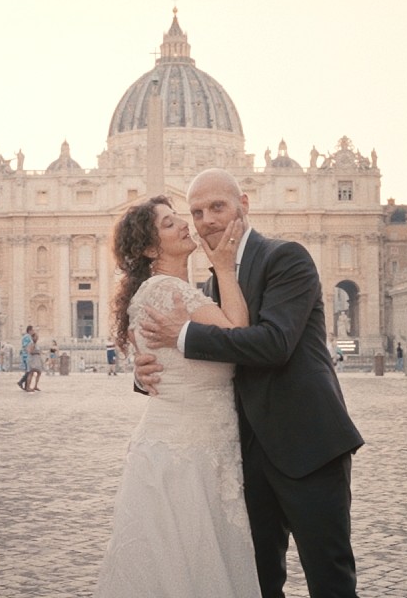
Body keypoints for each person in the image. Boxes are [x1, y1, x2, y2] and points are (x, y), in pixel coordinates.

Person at [135, 169, 364, 598]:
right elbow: (203, 360)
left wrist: (182, 336)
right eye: (197, 212)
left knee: (329, 580)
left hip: (306, 448)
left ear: (244, 203)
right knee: (256, 583)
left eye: (217, 207)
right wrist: (145, 368)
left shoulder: (287, 258)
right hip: (244, 458)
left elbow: (275, 343)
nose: (206, 220)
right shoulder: (207, 286)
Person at [95, 194, 257, 597]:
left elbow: (162, 362)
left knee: (180, 561)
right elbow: (237, 335)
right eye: (169, 223)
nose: (185, 224)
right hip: (189, 447)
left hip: (188, 441)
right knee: (193, 557)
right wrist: (222, 265)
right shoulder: (167, 289)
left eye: (177, 217)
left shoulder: (172, 291)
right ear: (150, 248)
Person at [18, 326, 35, 390]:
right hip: (26, 355)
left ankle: (25, 386)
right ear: (30, 330)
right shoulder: (27, 337)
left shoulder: (27, 336)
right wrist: (30, 352)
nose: (34, 331)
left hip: (25, 355)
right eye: (33, 330)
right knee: (29, 370)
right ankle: (21, 382)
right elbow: (26, 346)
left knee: (28, 370)